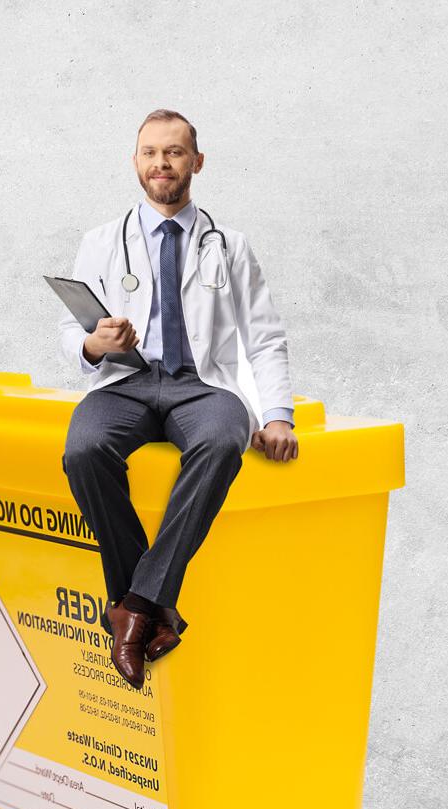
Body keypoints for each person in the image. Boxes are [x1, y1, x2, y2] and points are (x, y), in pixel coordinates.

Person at [58, 108, 298, 690]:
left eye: (173, 152)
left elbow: (263, 338)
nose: (161, 164)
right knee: (85, 450)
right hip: (127, 381)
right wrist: (94, 342)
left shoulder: (231, 246)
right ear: (135, 161)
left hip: (202, 385)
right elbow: (68, 334)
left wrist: (277, 415)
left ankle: (133, 604)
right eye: (149, 153)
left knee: (220, 442)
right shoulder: (100, 241)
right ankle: (150, 610)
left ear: (196, 162)